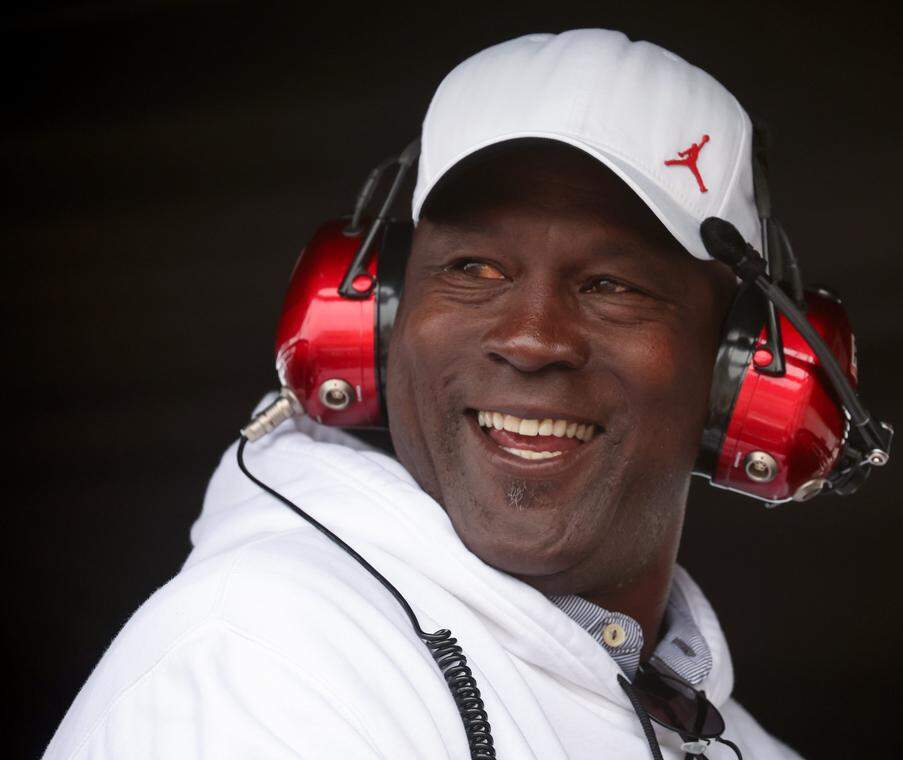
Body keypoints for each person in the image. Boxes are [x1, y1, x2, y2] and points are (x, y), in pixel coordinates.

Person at [44, 29, 801, 759]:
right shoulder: (261, 664)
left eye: (613, 284)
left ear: (742, 360)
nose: (532, 338)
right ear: (380, 318)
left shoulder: (745, 746)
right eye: (475, 269)